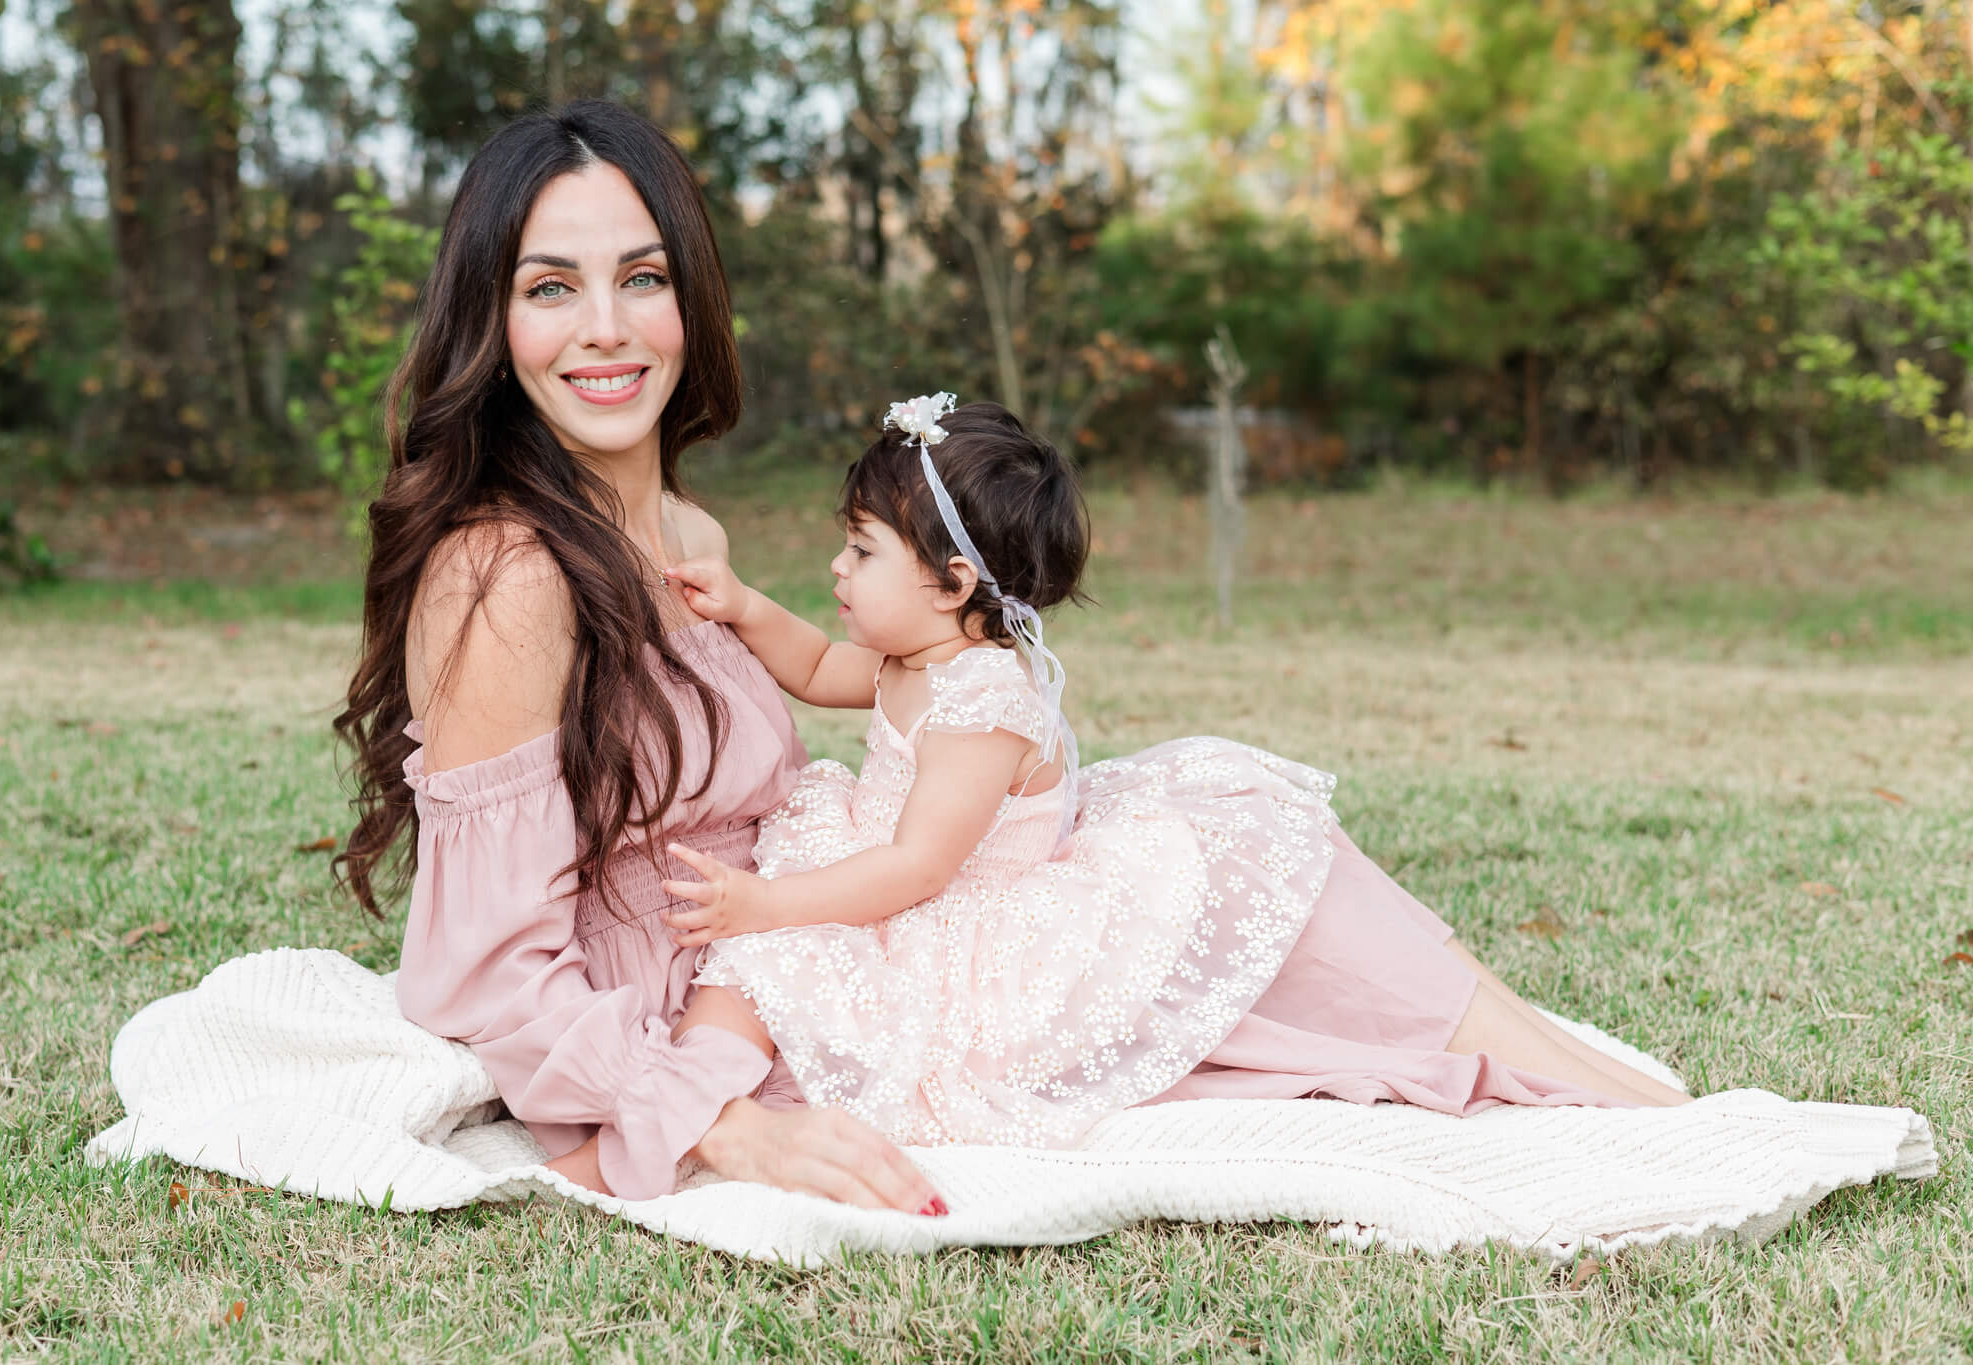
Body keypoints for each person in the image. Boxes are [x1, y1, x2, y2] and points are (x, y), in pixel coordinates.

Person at [652, 394, 1690, 1150]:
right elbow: (824, 670)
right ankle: (697, 1094)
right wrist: (744, 606)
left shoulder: (978, 705)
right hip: (898, 873)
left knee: (799, 969)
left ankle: (1534, 1059)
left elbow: (920, 868)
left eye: (860, 548)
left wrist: (770, 903)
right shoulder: (909, 656)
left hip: (975, 912)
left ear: (952, 583)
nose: (835, 566)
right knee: (780, 977)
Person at [331, 101, 944, 1215]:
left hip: (792, 950)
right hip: (670, 1022)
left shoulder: (688, 534)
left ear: (691, 300)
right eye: (550, 288)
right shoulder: (505, 578)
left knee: (1192, 841)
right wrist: (716, 1122)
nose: (605, 328)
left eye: (644, 279)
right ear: (492, 325)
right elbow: (483, 972)